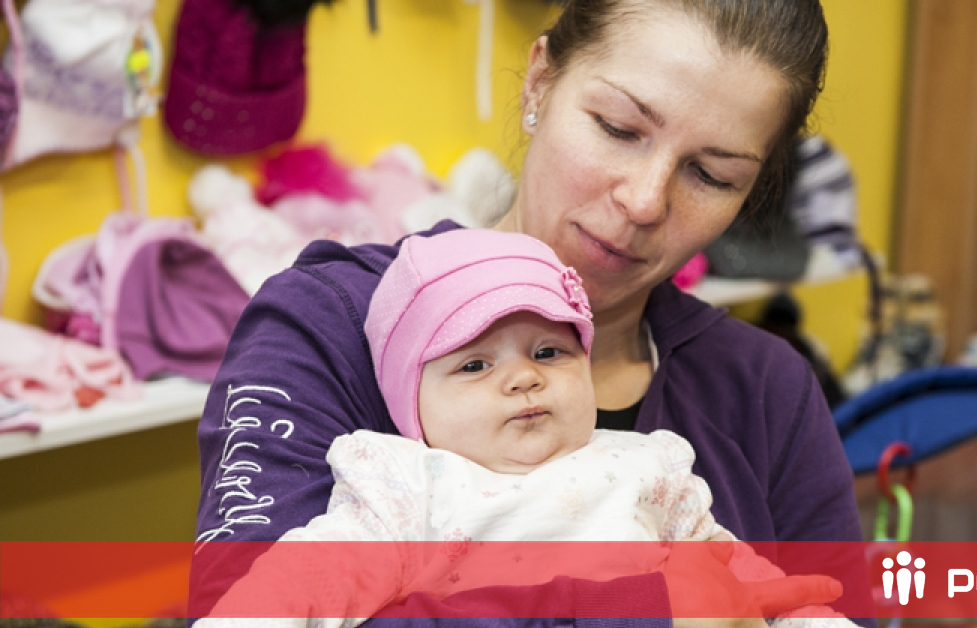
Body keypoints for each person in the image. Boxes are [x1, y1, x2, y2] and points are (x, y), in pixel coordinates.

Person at [191, 0, 873, 626]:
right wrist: (636, 611)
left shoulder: (766, 390)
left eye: (712, 176)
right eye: (618, 128)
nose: (644, 201)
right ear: (541, 82)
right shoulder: (328, 326)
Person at [195, 229, 853, 627]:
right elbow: (306, 582)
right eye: (474, 364)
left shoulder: (646, 467)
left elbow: (743, 583)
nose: (522, 378)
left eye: (549, 352)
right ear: (412, 406)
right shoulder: (408, 486)